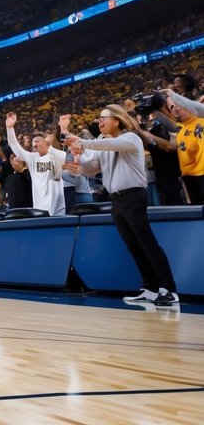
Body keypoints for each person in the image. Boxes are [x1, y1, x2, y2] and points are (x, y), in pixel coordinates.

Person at [62, 104, 177, 306]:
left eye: (103, 118)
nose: (99, 121)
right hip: (116, 200)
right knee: (133, 246)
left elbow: (105, 146)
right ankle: (149, 288)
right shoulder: (104, 143)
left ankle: (168, 289)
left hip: (133, 196)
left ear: (117, 120)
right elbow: (93, 169)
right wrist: (78, 168)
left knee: (147, 242)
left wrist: (81, 142)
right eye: (98, 119)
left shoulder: (130, 138)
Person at [6, 113, 66, 216]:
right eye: (33, 142)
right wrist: (10, 128)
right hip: (39, 209)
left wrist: (50, 145)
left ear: (46, 143)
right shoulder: (32, 158)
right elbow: (14, 145)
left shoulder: (58, 155)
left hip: (58, 209)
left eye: (37, 141)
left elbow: (62, 156)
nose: (34, 144)